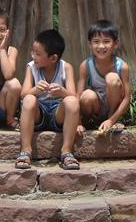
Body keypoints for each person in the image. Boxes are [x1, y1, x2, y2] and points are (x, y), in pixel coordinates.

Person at [16, 29, 81, 170]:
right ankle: (26, 151)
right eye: (33, 51)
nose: (33, 56)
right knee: (28, 99)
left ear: (53, 58)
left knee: (71, 101)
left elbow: (73, 96)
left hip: (58, 113)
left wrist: (62, 92)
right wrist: (35, 90)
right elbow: (23, 94)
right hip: (39, 113)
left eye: (38, 54)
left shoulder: (66, 68)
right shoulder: (31, 67)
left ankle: (67, 152)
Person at [77, 20, 131, 136]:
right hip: (97, 105)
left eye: (106, 41)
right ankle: (88, 122)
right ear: (89, 44)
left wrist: (111, 120)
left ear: (115, 43)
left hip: (113, 106)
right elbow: (78, 96)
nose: (101, 46)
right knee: (86, 95)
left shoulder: (122, 66)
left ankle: (111, 120)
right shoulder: (85, 65)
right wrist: (78, 122)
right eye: (96, 41)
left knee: (112, 78)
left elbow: (127, 98)